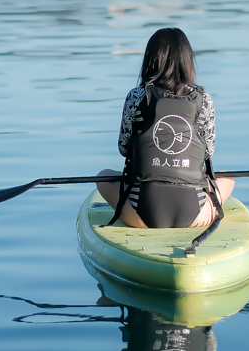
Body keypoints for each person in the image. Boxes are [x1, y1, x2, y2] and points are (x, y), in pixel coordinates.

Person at [96, 28, 235, 229]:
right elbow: (208, 151)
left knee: (103, 175)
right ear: (188, 61)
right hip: (195, 214)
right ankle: (203, 210)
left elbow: (124, 148)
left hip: (140, 214)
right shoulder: (204, 100)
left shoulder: (136, 96)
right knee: (227, 177)